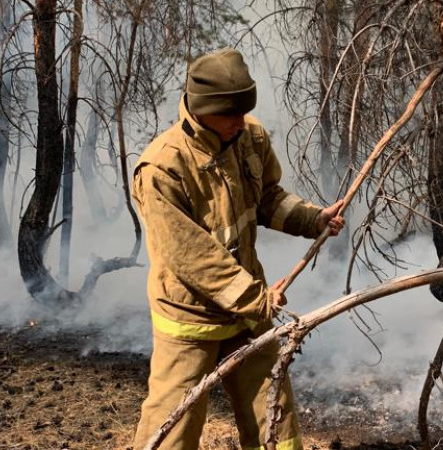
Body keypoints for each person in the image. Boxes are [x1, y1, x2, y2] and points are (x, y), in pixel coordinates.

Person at [131, 47, 344, 450]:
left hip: (248, 316)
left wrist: (311, 218)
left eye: (244, 112)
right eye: (230, 114)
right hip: (191, 321)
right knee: (171, 429)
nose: (239, 123)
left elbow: (268, 198)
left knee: (275, 423)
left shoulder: (250, 136)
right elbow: (193, 257)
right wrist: (255, 299)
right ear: (199, 109)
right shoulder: (162, 168)